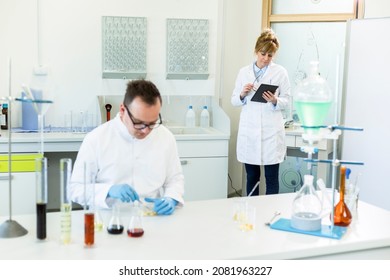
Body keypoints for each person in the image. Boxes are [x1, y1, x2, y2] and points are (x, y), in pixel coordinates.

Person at [69, 79, 184, 215]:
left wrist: (171, 198)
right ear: (123, 110)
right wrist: (108, 190)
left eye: (152, 123)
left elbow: (175, 179)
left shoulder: (165, 137)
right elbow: (75, 189)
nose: (146, 130)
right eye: (139, 123)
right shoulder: (96, 139)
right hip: (108, 219)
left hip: (152, 217)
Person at [231, 28, 291, 196]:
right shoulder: (244, 72)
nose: (266, 59)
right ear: (256, 51)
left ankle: (272, 213)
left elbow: (287, 100)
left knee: (272, 178)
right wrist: (243, 93)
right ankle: (251, 216)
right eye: (263, 54)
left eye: (270, 55)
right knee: (252, 177)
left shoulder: (280, 72)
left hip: (271, 132)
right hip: (250, 132)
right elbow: (234, 100)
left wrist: (274, 100)